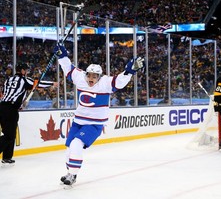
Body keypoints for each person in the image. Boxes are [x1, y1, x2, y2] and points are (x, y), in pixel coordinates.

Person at [54, 44, 144, 186]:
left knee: (77, 143)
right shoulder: (80, 78)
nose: (91, 78)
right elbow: (68, 68)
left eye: (95, 76)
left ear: (99, 77)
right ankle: (70, 172)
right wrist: (61, 55)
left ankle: (72, 174)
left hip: (94, 124)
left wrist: (129, 71)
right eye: (89, 75)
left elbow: (119, 82)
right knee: (69, 147)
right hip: (78, 121)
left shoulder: (105, 83)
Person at [0, 63, 58, 165]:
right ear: (22, 71)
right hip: (11, 109)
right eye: (25, 70)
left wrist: (20, 104)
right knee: (9, 135)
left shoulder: (8, 80)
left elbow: (9, 94)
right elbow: (38, 83)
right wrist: (52, 83)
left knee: (10, 134)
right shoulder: (25, 80)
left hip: (3, 107)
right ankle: (6, 156)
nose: (26, 72)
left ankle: (7, 157)